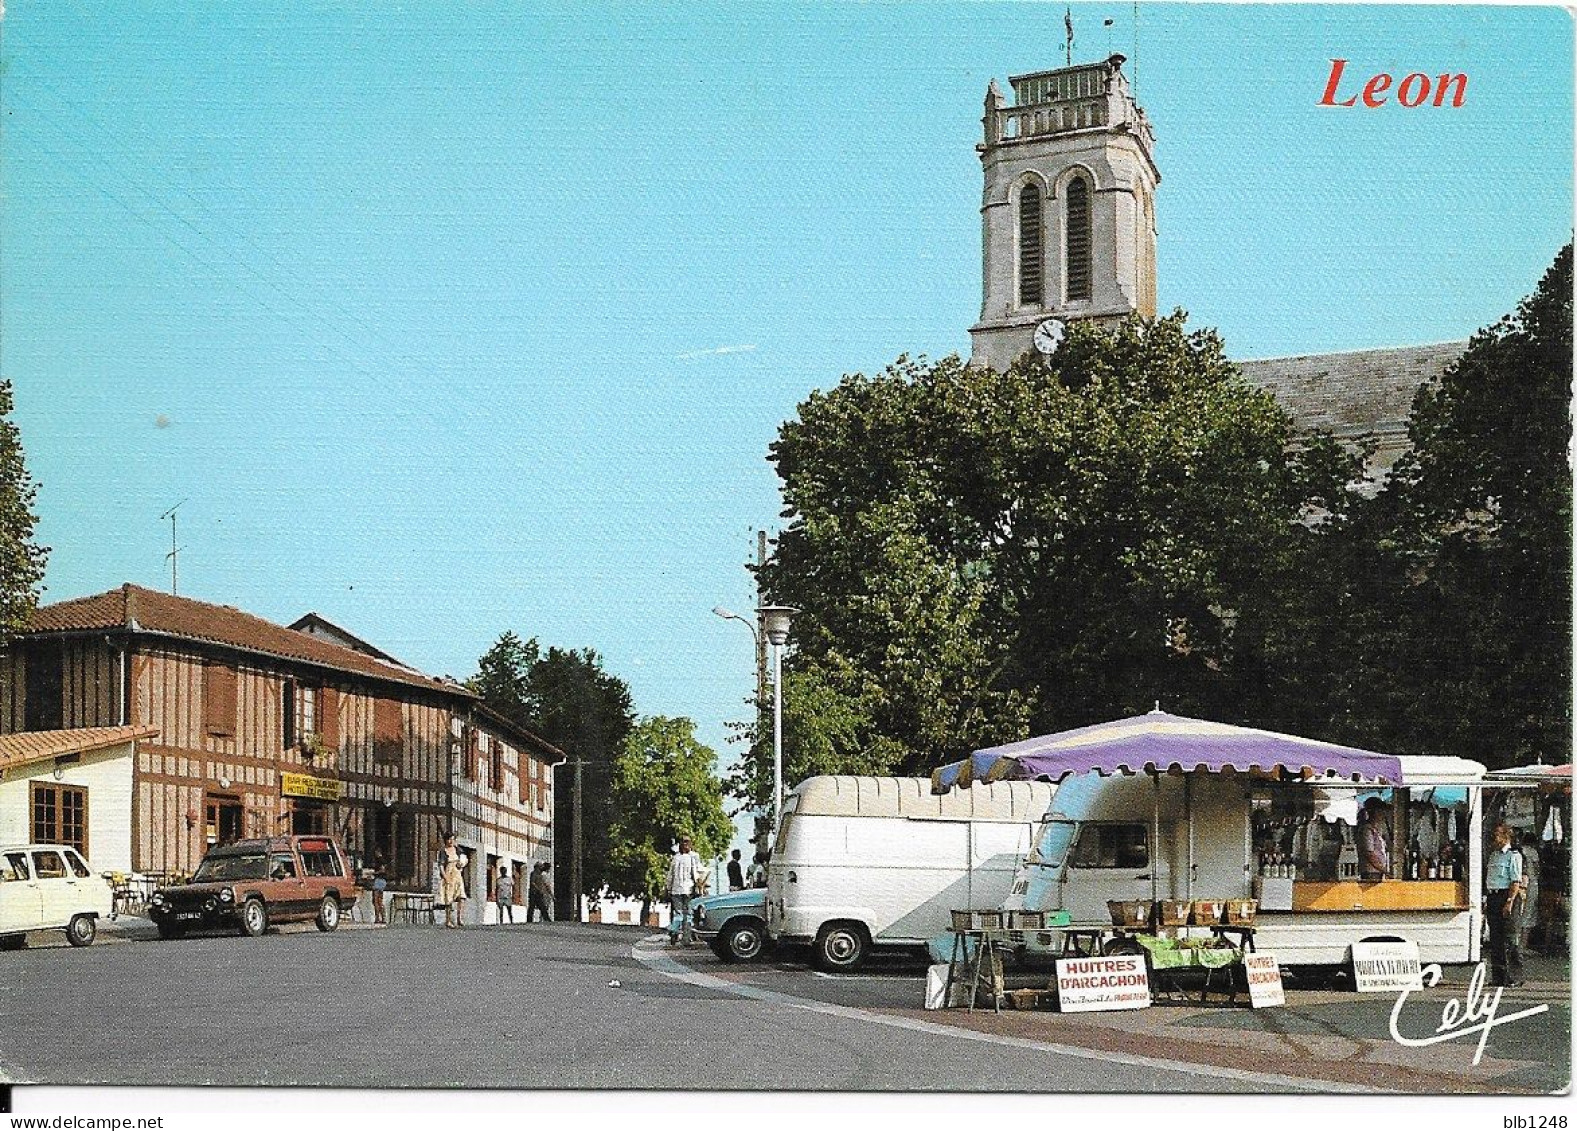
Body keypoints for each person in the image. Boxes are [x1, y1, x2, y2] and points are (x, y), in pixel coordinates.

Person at [1486, 823, 1527, 986]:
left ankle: (1515, 976)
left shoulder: (1514, 855)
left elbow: (1515, 881)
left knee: (1510, 938)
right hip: (1494, 896)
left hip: (1508, 896)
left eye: (1497, 836)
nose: (1494, 839)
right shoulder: (1493, 856)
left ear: (1505, 837)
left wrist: (1509, 902)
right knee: (1495, 938)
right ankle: (1498, 976)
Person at [667, 835, 704, 946]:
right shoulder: (693, 857)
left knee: (678, 913)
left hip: (676, 889)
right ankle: (686, 939)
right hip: (688, 889)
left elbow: (670, 875)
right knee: (687, 914)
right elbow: (695, 873)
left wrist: (668, 888)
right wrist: (700, 885)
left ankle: (673, 932)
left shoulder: (675, 858)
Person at [1358, 797, 1392, 881]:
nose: (1383, 814)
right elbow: (1369, 853)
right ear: (1375, 812)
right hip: (1371, 872)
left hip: (1377, 871)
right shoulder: (1367, 829)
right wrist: (1384, 870)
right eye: (1381, 810)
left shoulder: (1376, 829)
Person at [438, 834, 467, 928]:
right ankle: (448, 920)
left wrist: (461, 864)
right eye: (449, 839)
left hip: (458, 874)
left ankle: (460, 918)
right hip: (449, 874)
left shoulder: (458, 850)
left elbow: (464, 859)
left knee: (461, 897)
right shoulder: (443, 851)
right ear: (446, 840)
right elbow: (441, 865)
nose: (451, 841)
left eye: (452, 839)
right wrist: (445, 877)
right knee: (449, 898)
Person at [371, 856, 388, 925]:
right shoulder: (384, 861)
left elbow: (382, 870)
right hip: (383, 881)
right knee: (380, 901)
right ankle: (383, 917)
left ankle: (377, 918)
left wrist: (374, 873)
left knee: (375, 901)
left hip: (378, 881)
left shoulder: (380, 860)